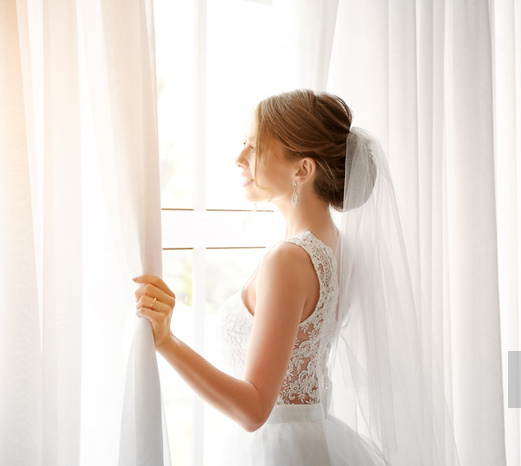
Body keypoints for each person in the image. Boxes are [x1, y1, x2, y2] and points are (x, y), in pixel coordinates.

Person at [132, 89, 459, 465]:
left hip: (278, 451)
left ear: (302, 170)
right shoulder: (339, 249)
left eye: (254, 148)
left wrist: (167, 341)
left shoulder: (289, 259)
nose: (239, 159)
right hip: (314, 439)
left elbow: (254, 409)